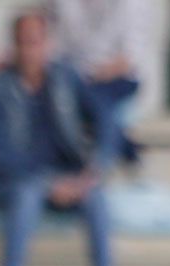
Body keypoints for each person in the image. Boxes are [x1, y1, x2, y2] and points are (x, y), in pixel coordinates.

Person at [0, 9, 118, 266]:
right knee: (27, 194)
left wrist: (94, 169)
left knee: (96, 197)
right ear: (14, 46)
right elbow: (1, 155)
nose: (31, 50)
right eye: (24, 42)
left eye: (37, 42)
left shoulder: (66, 78)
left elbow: (106, 119)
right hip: (15, 181)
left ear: (47, 44)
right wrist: (49, 183)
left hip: (66, 176)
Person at [49, 0, 152, 166]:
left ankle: (99, 165)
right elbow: (50, 39)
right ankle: (122, 145)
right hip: (71, 75)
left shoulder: (132, 4)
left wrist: (89, 77)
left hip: (115, 77)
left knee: (97, 102)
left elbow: (129, 58)